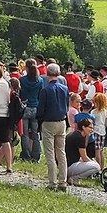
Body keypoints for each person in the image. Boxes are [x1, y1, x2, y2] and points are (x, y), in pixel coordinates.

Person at [37, 63, 70, 191]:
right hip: (61, 121)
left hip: (49, 121)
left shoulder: (45, 90)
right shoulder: (64, 88)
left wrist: (40, 119)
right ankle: (63, 181)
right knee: (61, 152)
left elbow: (41, 109)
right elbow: (66, 105)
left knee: (50, 153)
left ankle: (52, 182)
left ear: (47, 73)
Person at [19, 59, 43, 163]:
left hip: (25, 107)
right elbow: (40, 95)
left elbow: (20, 94)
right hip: (35, 107)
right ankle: (36, 155)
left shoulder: (22, 80)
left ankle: (26, 154)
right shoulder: (40, 80)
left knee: (25, 134)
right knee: (35, 133)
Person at [66, 115, 100, 184]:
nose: (92, 130)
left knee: (92, 161)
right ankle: (73, 178)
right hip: (70, 166)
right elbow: (84, 157)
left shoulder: (74, 134)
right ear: (83, 127)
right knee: (96, 167)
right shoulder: (80, 138)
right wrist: (93, 164)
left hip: (66, 165)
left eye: (92, 128)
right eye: (90, 128)